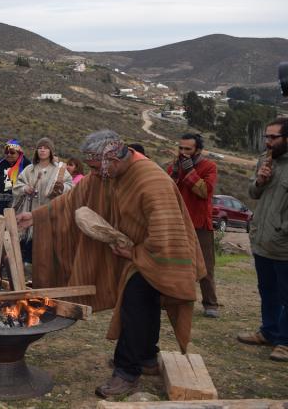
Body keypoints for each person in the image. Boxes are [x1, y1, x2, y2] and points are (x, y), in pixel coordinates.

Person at [16, 130, 205, 398]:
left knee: (134, 303)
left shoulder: (152, 181)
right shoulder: (106, 173)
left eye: (95, 168)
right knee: (146, 303)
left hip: (158, 253)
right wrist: (35, 217)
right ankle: (147, 358)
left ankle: (127, 372)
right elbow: (73, 199)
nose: (93, 174)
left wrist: (136, 253)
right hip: (138, 253)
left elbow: (166, 233)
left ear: (113, 159)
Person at [237, 118, 288, 362]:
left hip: (284, 244)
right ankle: (269, 332)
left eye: (273, 137)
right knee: (267, 290)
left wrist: (283, 229)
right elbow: (253, 193)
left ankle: (285, 342)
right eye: (266, 137)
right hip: (262, 240)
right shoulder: (265, 160)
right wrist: (260, 180)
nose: (268, 142)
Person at [166, 133, 219, 318]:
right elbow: (168, 191)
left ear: (198, 150)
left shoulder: (209, 166)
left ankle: (210, 304)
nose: (183, 152)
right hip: (177, 221)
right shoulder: (174, 166)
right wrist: (174, 173)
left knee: (205, 266)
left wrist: (189, 172)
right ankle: (173, 299)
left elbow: (204, 191)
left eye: (187, 149)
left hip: (199, 222)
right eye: (180, 148)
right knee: (174, 263)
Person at [13, 137, 72, 262]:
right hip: (28, 212)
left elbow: (71, 188)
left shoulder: (59, 171)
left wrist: (61, 187)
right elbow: (17, 186)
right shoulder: (29, 169)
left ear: (51, 151)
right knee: (26, 247)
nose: (42, 150)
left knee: (44, 249)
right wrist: (25, 188)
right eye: (40, 148)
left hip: (49, 214)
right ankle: (25, 266)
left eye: (46, 148)